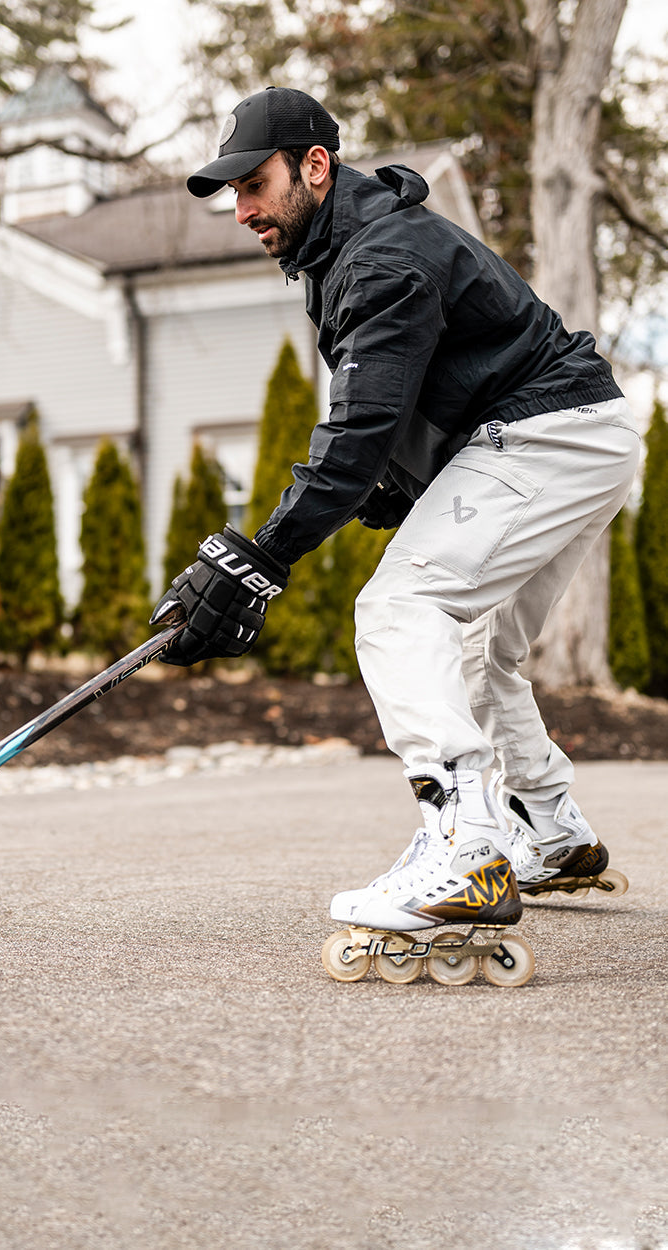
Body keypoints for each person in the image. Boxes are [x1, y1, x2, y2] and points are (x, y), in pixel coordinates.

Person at [154, 86, 640, 977]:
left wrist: (259, 558)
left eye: (254, 184)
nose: (242, 209)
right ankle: (552, 830)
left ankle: (465, 850)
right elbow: (416, 402)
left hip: (546, 433)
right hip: (577, 432)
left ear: (314, 165)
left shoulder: (382, 258)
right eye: (233, 192)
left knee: (399, 606)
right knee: (482, 646)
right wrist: (393, 488)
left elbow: (358, 433)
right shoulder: (354, 250)